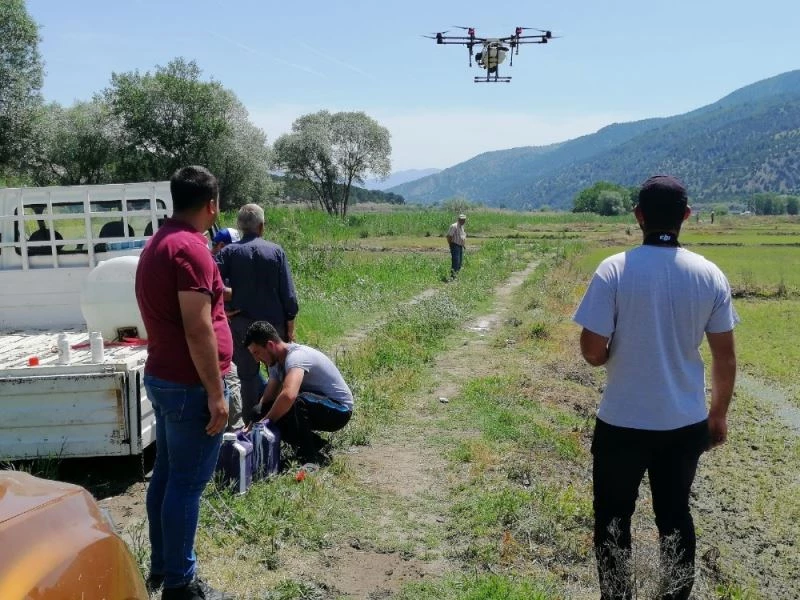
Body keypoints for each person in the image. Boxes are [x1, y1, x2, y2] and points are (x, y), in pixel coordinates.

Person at [573, 175, 738, 600]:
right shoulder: (709, 274)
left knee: (612, 518)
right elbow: (725, 356)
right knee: (675, 515)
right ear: (686, 216)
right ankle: (675, 594)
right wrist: (717, 415)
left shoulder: (614, 268)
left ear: (638, 216)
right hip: (684, 423)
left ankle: (617, 595)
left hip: (622, 422)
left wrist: (611, 355)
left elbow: (592, 350)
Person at [135, 166, 233, 600]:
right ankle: (181, 583)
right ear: (211, 205)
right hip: (189, 384)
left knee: (168, 477)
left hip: (165, 376)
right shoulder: (190, 250)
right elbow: (197, 329)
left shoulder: (158, 244)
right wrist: (216, 393)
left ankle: (161, 568)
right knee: (186, 485)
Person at [216, 204, 299, 422]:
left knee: (247, 377)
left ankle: (251, 426)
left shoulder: (228, 252)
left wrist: (224, 308)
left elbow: (208, 284)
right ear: (261, 227)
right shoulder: (276, 251)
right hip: (274, 326)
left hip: (242, 326)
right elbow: (288, 293)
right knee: (281, 374)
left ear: (240, 227)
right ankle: (281, 423)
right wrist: (290, 325)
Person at [244, 320, 353, 464]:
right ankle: (317, 445)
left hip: (339, 410)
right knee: (263, 409)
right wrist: (252, 424)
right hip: (314, 404)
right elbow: (267, 399)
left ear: (270, 345)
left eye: (257, 352)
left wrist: (265, 424)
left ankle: (310, 458)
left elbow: (289, 395)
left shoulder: (296, 357)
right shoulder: (274, 363)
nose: (256, 359)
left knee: (293, 403)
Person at [446, 213, 467, 278]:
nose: (463, 221)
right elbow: (449, 236)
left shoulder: (462, 227)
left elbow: (462, 236)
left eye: (464, 220)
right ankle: (453, 276)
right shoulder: (454, 226)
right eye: (461, 219)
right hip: (455, 246)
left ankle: (456, 275)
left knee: (460, 262)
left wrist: (463, 245)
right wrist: (450, 245)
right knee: (456, 261)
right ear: (458, 219)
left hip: (460, 246)